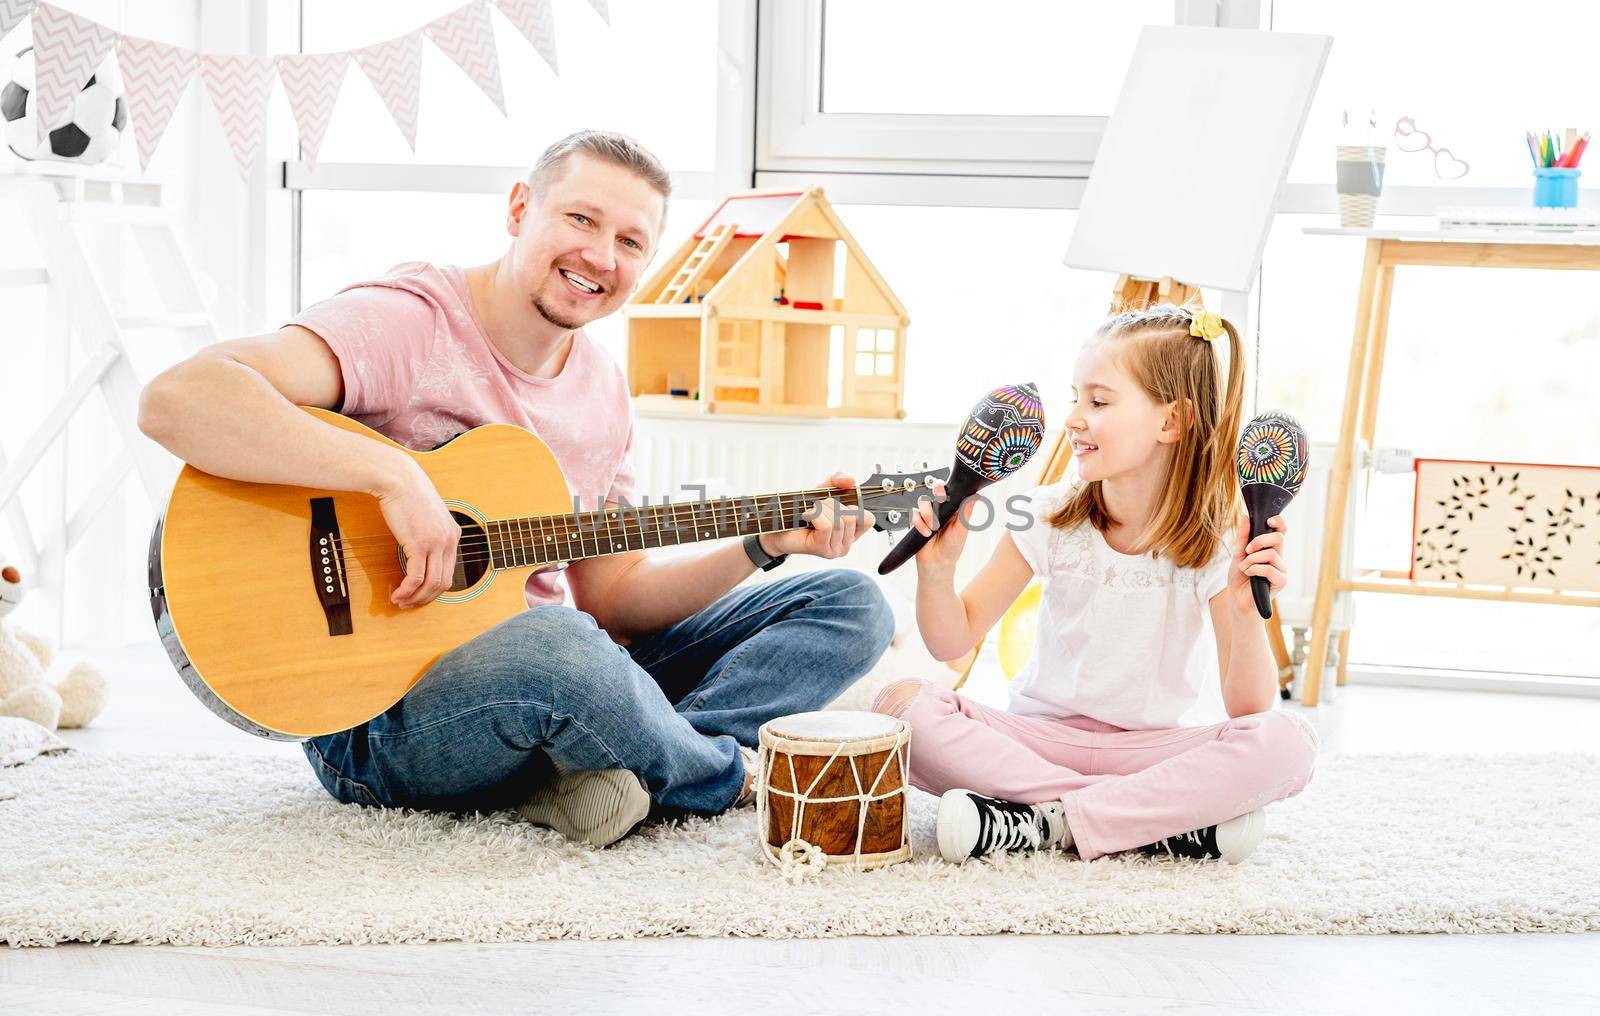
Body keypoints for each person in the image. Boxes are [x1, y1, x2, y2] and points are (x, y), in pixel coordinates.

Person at [139, 130, 894, 848]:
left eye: (631, 242)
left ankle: (618, 762)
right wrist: (393, 475)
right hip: (382, 724)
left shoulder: (601, 391)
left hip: (555, 679)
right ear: (518, 210)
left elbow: (614, 601)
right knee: (560, 650)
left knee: (849, 604)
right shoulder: (409, 322)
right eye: (581, 218)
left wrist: (761, 545)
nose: (601, 255)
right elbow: (177, 399)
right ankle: (717, 777)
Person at [873, 305, 1317, 865]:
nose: (1075, 419)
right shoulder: (1046, 515)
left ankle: (1040, 822)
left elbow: (1248, 708)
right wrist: (936, 571)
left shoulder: (1221, 539)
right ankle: (1150, 824)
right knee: (899, 706)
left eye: (1099, 402)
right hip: (1039, 739)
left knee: (1288, 742)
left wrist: (1247, 610)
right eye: (1075, 399)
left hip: (1153, 753)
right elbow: (951, 643)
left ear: (1172, 421)